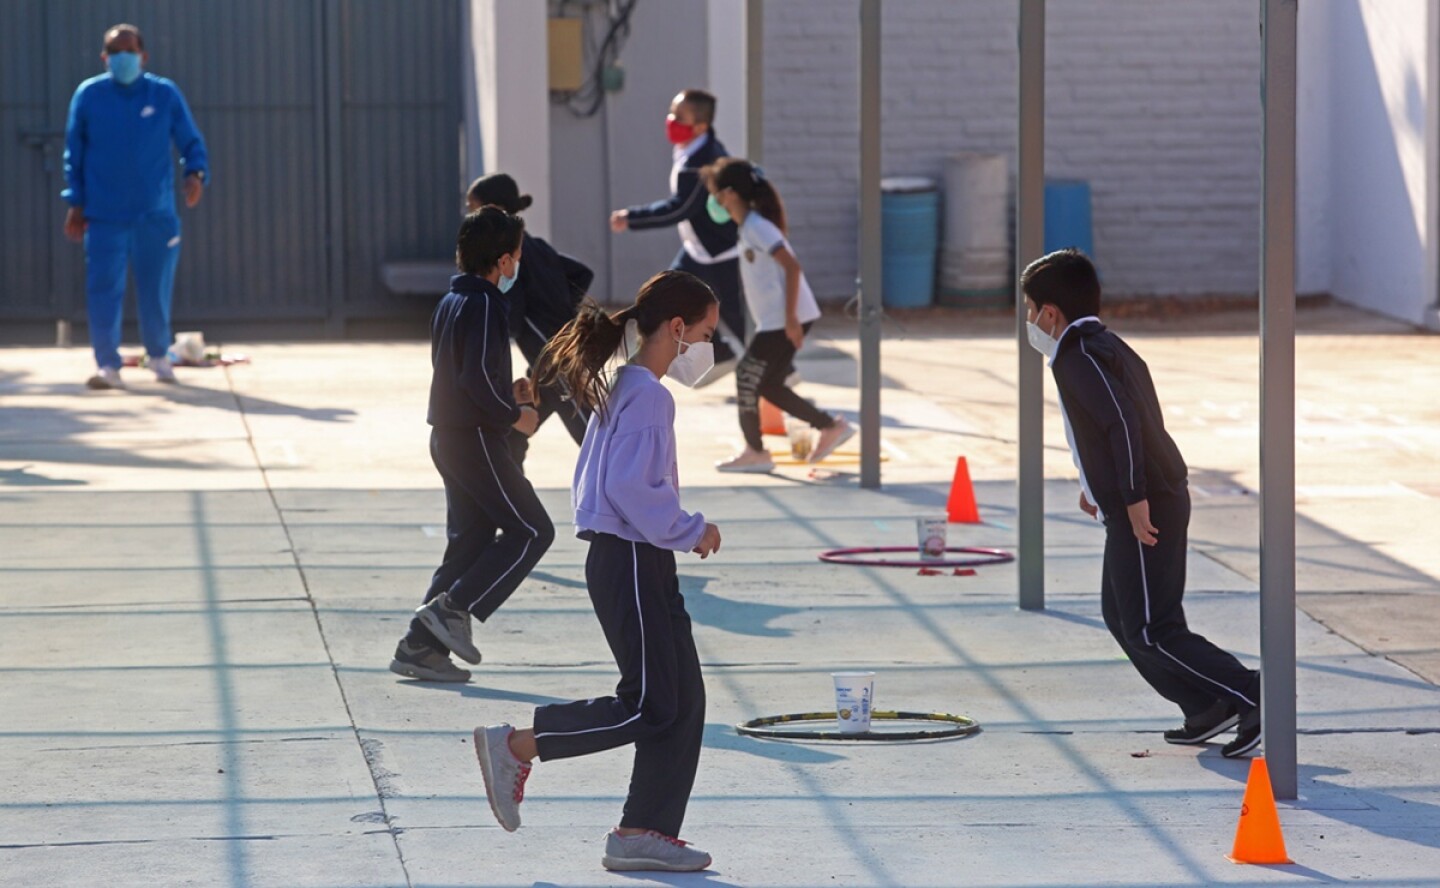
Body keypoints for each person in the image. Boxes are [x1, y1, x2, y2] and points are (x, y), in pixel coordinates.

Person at [471, 270, 721, 873]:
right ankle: (515, 747)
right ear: (678, 328)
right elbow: (629, 487)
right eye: (708, 333)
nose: (711, 349)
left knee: (682, 699)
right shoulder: (649, 396)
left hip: (635, 559)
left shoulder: (624, 385)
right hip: (631, 556)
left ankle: (643, 831)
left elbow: (600, 481)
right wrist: (690, 529)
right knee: (647, 704)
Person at [1021, 248, 1261, 758]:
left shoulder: (1076, 355)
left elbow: (1123, 425)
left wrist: (1132, 498)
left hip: (1147, 505)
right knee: (1122, 616)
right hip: (1140, 500)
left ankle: (1255, 696)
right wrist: (1097, 487)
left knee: (1154, 627)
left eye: (1029, 308)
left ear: (1050, 312)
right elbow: (1116, 426)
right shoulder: (1105, 345)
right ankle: (1205, 707)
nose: (1028, 321)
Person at [388, 207, 555, 684]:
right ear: (503, 261)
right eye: (517, 257)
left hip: (449, 437)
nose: (518, 266)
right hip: (476, 438)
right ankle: (454, 609)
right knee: (532, 531)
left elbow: (468, 374)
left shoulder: (452, 300)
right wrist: (513, 415)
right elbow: (475, 379)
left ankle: (419, 648)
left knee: (471, 544)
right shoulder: (484, 304)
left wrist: (509, 393)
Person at [62, 23, 209, 390]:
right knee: (103, 289)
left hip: (154, 214)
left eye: (129, 51)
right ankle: (107, 366)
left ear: (143, 56)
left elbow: (191, 142)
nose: (122, 57)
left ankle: (159, 357)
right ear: (104, 58)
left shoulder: (163, 94)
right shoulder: (90, 95)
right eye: (115, 51)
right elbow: (74, 154)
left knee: (155, 287)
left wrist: (196, 174)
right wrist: (75, 203)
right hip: (105, 213)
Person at [702, 158, 855, 472]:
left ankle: (756, 452)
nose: (713, 202)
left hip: (783, 318)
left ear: (729, 194)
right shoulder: (749, 228)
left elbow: (792, 266)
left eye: (715, 193)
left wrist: (790, 319)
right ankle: (829, 426)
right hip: (777, 318)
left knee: (746, 376)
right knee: (769, 385)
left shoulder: (758, 227)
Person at [609, 89, 744, 386]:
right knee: (671, 297)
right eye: (671, 113)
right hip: (699, 249)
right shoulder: (694, 148)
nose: (670, 120)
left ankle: (775, 374)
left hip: (717, 251)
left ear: (700, 126)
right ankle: (720, 354)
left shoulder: (704, 161)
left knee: (735, 315)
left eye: (679, 117)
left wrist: (632, 218)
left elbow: (679, 208)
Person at [466, 173, 594, 469]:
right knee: (514, 426)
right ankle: (508, 481)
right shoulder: (537, 246)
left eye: (473, 208)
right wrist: (564, 307)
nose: (469, 215)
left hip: (556, 357)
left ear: (493, 210)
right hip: (545, 363)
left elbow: (512, 315)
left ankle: (623, 490)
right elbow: (581, 273)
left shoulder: (510, 257)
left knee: (591, 433)